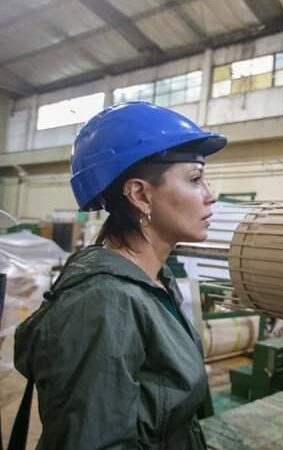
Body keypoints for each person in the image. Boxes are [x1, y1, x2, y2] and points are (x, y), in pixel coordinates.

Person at [13, 102, 226, 449]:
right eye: (195, 179)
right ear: (140, 194)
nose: (210, 195)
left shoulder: (153, 279)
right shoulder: (102, 304)